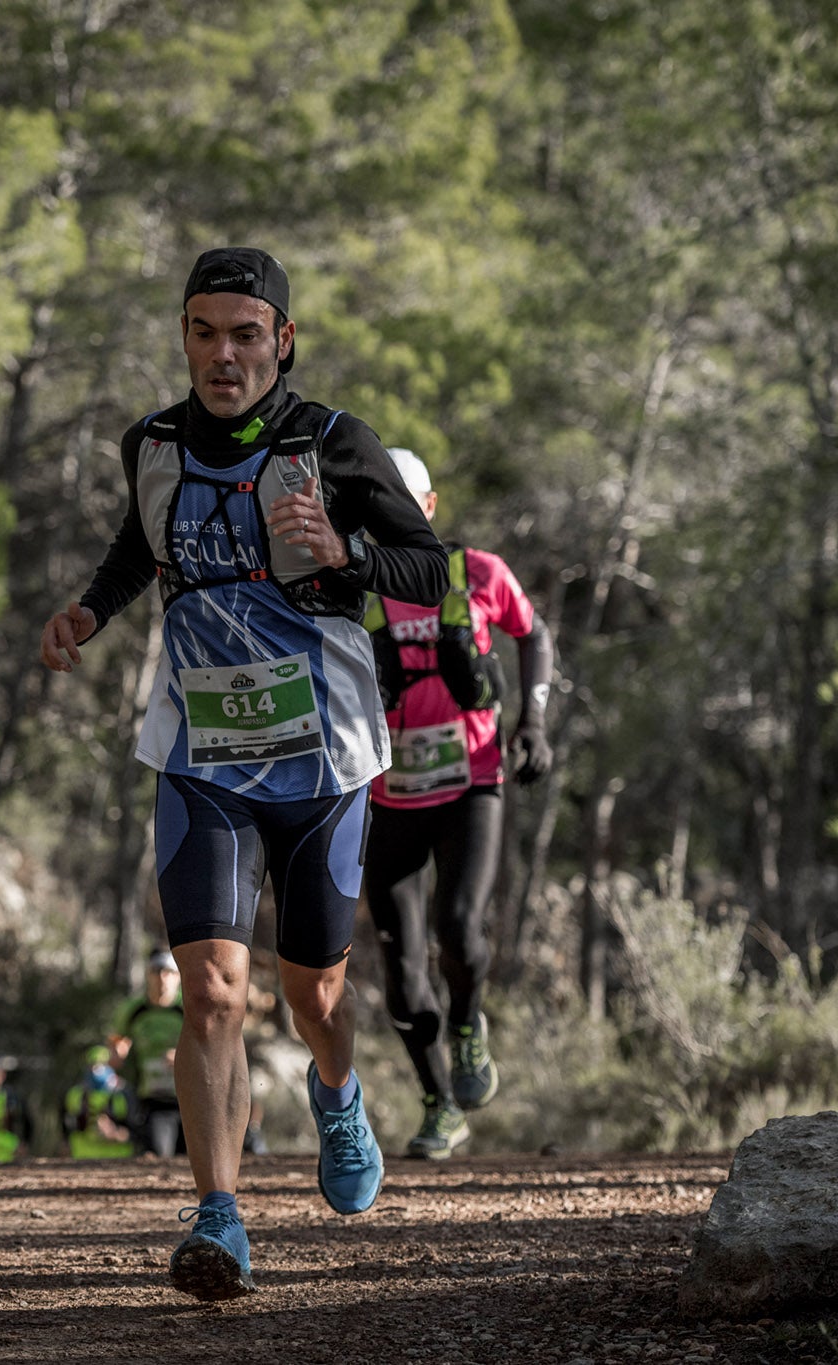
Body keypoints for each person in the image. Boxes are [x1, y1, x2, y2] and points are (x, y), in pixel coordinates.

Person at [40, 246, 448, 1301]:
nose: (222, 355)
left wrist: (345, 559)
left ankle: (337, 1088)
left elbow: (426, 571)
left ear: (282, 340)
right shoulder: (153, 442)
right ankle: (218, 1218)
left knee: (311, 994)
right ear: (183, 337)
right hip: (200, 757)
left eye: (244, 334)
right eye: (202, 333)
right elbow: (141, 546)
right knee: (212, 994)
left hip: (321, 761)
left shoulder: (332, 444)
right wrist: (91, 609)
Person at [362, 446, 555, 1159]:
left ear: (430, 505)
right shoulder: (356, 589)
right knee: (402, 968)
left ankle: (469, 1019)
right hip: (392, 795)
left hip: (473, 778)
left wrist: (532, 722)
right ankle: (440, 1101)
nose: (393, 512)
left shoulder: (477, 573)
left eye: (405, 499)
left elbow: (533, 633)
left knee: (460, 925)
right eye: (379, 500)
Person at [109, 949, 187, 1157]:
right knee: (156, 1157)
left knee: (189, 1162)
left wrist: (183, 1057)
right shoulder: (134, 1010)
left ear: (179, 977)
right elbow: (117, 1042)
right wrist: (117, 1052)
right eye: (156, 971)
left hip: (190, 1099)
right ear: (147, 974)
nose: (162, 979)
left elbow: (211, 1047)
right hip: (151, 1100)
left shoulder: (188, 1007)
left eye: (169, 972)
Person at [62, 1045, 135, 1159]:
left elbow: (136, 1130)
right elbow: (67, 1127)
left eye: (102, 1064)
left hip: (118, 1159)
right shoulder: (75, 1095)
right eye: (92, 1065)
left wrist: (114, 1133)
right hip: (82, 1158)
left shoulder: (123, 1093)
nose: (96, 1069)